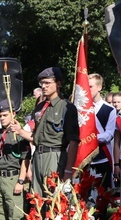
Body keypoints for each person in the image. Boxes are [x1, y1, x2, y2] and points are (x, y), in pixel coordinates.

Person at [11, 67, 79, 196]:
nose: (43, 86)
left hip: (55, 156)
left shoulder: (66, 107)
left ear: (58, 84)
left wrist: (69, 171)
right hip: (38, 156)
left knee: (53, 198)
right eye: (42, 83)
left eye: (47, 83)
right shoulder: (39, 108)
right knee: (37, 199)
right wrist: (20, 130)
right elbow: (35, 137)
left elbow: (74, 141)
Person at [87, 74, 118, 187]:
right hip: (85, 160)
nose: (87, 89)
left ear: (99, 87)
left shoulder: (109, 109)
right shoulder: (81, 109)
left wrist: (89, 138)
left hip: (102, 158)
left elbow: (109, 135)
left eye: (90, 86)